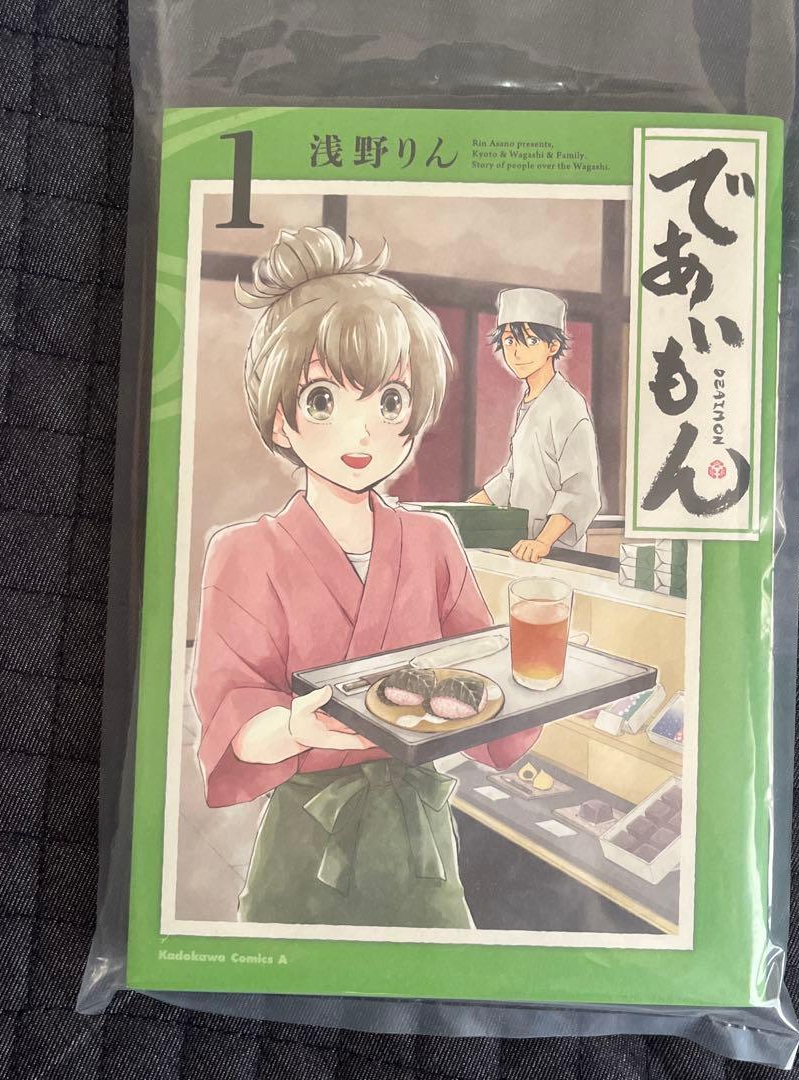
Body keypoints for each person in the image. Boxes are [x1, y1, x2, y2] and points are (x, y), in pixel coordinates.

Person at [191, 226, 538, 930]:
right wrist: (295, 725)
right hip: (307, 834)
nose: (363, 434)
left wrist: (545, 684)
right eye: (323, 400)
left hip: (418, 832)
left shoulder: (432, 540)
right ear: (281, 419)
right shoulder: (243, 553)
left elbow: (481, 673)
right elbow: (230, 716)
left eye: (390, 402)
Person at [469, 288, 602, 562]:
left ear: (552, 346)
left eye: (530, 340)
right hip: (523, 544)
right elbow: (512, 475)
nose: (517, 352)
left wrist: (542, 541)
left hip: (556, 551)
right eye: (509, 341)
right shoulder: (529, 400)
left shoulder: (567, 405)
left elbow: (580, 489)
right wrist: (466, 510)